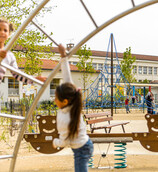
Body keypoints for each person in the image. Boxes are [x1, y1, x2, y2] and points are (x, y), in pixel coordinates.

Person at [52, 44, 93, 172]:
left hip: (81, 148)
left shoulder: (65, 119)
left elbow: (64, 142)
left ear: (64, 101)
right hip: (84, 145)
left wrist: (55, 142)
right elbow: (67, 77)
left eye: (56, 98)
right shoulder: (73, 105)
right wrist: (63, 57)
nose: (54, 100)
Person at [0, 18, 46, 83]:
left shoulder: (9, 55)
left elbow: (17, 74)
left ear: (9, 34)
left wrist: (34, 79)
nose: (2, 32)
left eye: (5, 30)